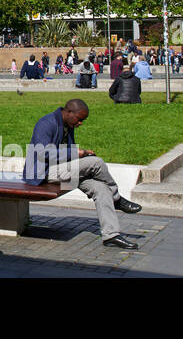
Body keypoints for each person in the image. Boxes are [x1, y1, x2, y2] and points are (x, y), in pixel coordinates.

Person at [24, 99, 142, 249]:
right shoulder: (46, 123)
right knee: (96, 162)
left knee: (101, 189)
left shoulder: (68, 124)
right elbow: (42, 153)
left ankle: (111, 235)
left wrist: (79, 157)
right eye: (79, 119)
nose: (81, 123)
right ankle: (117, 198)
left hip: (62, 171)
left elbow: (67, 155)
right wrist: (77, 153)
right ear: (68, 113)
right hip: (42, 172)